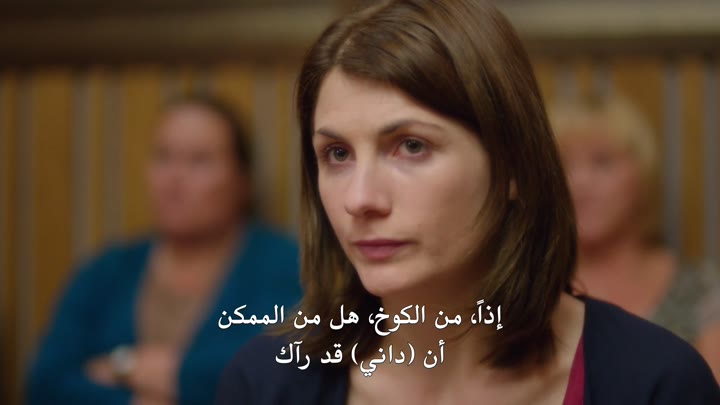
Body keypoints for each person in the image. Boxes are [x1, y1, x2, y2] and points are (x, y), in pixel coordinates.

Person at [216, 0, 720, 404]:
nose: (360, 199)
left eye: (412, 146)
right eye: (337, 154)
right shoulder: (266, 384)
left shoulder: (655, 382)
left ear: (514, 167)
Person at [26, 94, 302, 405]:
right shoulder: (106, 271)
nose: (174, 179)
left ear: (242, 180)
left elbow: (283, 375)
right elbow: (45, 383)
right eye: (163, 157)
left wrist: (133, 368)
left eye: (199, 160)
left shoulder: (285, 267)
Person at [550, 93, 720, 381]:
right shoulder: (524, 291)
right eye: (562, 165)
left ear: (643, 174)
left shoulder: (701, 290)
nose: (579, 184)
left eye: (602, 162)